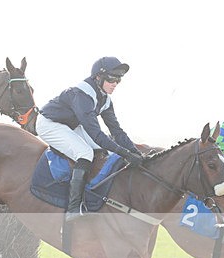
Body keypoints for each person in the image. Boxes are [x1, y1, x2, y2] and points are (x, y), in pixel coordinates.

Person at [36, 56, 144, 222]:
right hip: (50, 123)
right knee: (85, 153)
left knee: (105, 151)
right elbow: (96, 134)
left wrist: (136, 154)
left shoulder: (105, 99)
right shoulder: (82, 95)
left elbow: (117, 132)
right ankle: (73, 208)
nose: (115, 83)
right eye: (111, 79)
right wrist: (125, 153)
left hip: (71, 125)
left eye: (118, 80)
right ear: (98, 77)